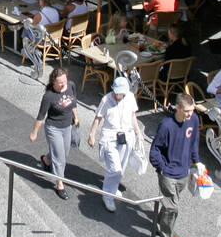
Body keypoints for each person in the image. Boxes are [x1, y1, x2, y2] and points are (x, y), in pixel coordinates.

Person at [149, 93, 202, 237]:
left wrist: (196, 162)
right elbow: (155, 150)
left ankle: (164, 226)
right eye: (186, 111)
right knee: (172, 207)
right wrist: (162, 168)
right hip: (168, 173)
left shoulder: (193, 120)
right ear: (177, 108)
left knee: (170, 205)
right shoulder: (166, 125)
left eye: (192, 110)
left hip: (183, 172)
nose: (190, 114)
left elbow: (194, 141)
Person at [89, 76, 142, 211]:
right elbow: (98, 118)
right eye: (117, 92)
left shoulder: (129, 97)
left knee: (121, 168)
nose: (118, 95)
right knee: (115, 169)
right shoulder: (106, 99)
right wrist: (92, 134)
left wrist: (138, 133)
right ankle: (107, 195)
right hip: (110, 136)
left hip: (126, 135)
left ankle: (112, 187)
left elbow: (133, 116)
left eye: (121, 93)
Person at [28, 66, 78, 199]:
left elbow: (73, 103)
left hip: (67, 126)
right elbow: (41, 115)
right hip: (53, 128)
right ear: (53, 82)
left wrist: (76, 117)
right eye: (60, 82)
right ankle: (59, 183)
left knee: (64, 153)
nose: (63, 85)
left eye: (65, 81)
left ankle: (46, 160)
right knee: (60, 158)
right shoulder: (49, 96)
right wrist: (34, 132)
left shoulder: (71, 86)